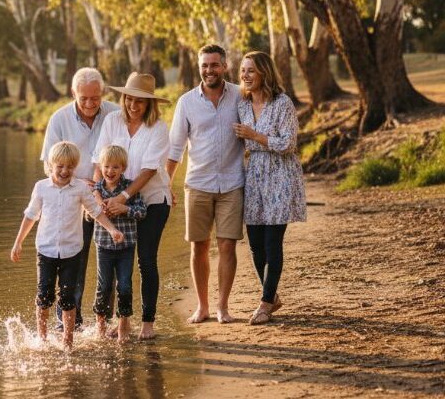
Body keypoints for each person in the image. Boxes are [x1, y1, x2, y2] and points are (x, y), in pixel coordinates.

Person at [11, 141, 125, 350]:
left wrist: (112, 229)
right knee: (44, 295)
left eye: (70, 167)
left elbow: (95, 211)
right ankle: (42, 339)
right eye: (60, 166)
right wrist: (18, 242)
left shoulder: (80, 188)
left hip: (72, 252)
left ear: (75, 167)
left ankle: (68, 342)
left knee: (68, 297)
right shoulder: (41, 187)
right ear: (51, 165)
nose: (65, 171)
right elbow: (30, 216)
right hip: (45, 251)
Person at [166, 44, 245, 324]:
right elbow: (175, 148)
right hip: (198, 184)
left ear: (224, 66)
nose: (209, 70)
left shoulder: (239, 96)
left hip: (233, 183)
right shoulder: (186, 102)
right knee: (198, 247)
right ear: (199, 68)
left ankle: (223, 307)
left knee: (227, 246)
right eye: (204, 65)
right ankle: (203, 307)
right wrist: (167, 185)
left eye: (214, 65)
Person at [93, 72, 172, 340]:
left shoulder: (159, 128)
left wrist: (123, 198)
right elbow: (99, 162)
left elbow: (149, 171)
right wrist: (98, 196)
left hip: (151, 202)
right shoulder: (112, 121)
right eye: (129, 99)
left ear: (150, 103)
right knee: (116, 263)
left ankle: (148, 322)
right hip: (113, 202)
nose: (133, 106)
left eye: (140, 101)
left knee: (146, 261)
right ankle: (120, 321)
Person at [39, 67, 120, 330]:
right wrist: (75, 183)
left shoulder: (114, 114)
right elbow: (48, 166)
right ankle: (69, 323)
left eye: (94, 98)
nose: (89, 104)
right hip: (74, 201)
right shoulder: (59, 119)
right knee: (74, 262)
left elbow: (123, 155)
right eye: (83, 98)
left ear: (102, 93)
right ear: (73, 93)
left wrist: (104, 185)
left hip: (108, 198)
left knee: (109, 263)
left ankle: (104, 320)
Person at [232, 51, 306, 325]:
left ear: (264, 72)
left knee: (272, 242)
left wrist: (255, 136)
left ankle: (264, 304)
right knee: (255, 244)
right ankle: (272, 295)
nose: (245, 76)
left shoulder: (282, 103)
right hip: (253, 177)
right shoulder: (242, 105)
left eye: (251, 70)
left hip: (280, 175)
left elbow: (289, 143)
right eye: (242, 70)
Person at [91, 144, 147, 343]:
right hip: (103, 246)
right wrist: (98, 211)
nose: (110, 171)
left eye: (115, 167)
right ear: (101, 167)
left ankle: (123, 326)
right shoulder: (96, 189)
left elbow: (142, 212)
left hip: (126, 247)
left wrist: (124, 209)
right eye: (106, 167)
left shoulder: (129, 188)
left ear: (123, 168)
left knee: (124, 286)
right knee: (104, 286)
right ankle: (100, 326)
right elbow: (89, 216)